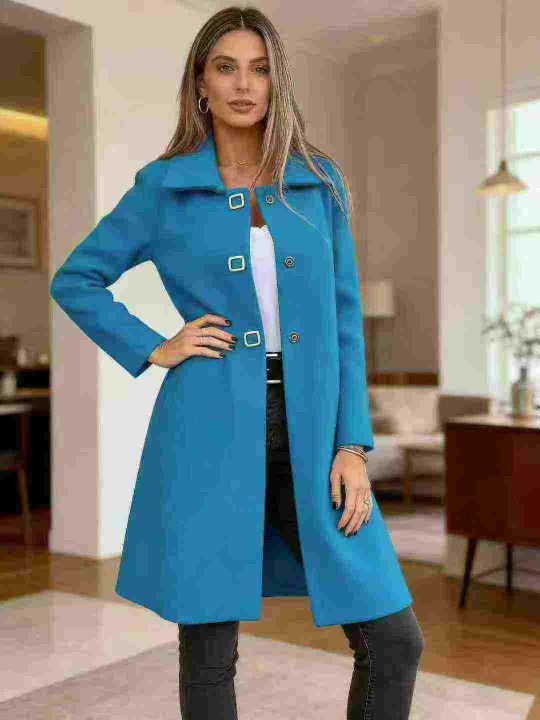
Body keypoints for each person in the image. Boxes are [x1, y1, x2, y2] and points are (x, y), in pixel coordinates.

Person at [50, 5, 424, 718]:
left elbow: (345, 322)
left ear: (278, 82)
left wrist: (352, 445)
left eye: (260, 69)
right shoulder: (163, 188)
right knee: (209, 650)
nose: (244, 84)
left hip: (313, 433)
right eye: (226, 68)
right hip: (206, 424)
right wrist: (155, 345)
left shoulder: (319, 182)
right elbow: (77, 279)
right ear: (201, 82)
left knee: (393, 640)